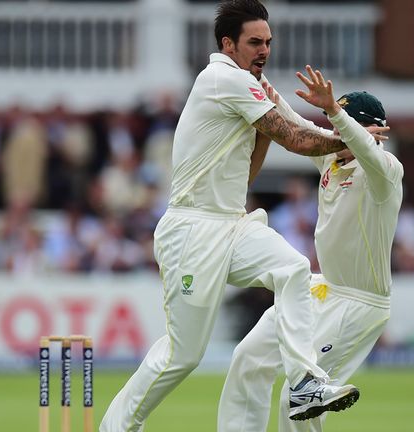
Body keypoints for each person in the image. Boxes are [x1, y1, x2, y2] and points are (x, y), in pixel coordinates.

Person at [99, 1, 388, 430]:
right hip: (193, 230)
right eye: (255, 42)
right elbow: (295, 137)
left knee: (292, 268)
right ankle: (117, 426)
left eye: (268, 42)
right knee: (184, 355)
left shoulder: (248, 83)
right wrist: (349, 137)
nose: (264, 50)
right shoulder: (221, 78)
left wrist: (288, 131)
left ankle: (305, 381)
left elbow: (258, 161)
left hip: (231, 223)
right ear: (228, 44)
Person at [218, 67, 403, 432]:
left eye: (344, 125)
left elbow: (364, 149)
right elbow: (303, 128)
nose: (335, 135)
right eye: (334, 125)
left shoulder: (384, 172)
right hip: (322, 290)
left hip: (359, 303)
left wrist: (335, 111)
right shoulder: (333, 158)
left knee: (298, 396)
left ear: (373, 131)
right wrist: (267, 95)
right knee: (248, 358)